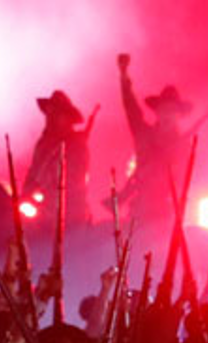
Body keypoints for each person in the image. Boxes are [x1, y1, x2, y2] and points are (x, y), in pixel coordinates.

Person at [116, 54, 195, 223]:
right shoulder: (143, 134)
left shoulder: (184, 146)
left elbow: (183, 182)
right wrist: (124, 77)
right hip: (139, 212)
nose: (167, 115)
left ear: (179, 116)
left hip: (166, 217)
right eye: (164, 109)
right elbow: (131, 108)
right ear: (157, 112)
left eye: (172, 111)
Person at [24, 90, 98, 226]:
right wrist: (26, 194)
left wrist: (48, 192)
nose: (50, 117)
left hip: (72, 217)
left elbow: (75, 181)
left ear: (67, 118)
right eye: (49, 113)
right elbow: (33, 173)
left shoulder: (77, 145)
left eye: (56, 113)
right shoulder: (43, 145)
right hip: (43, 215)